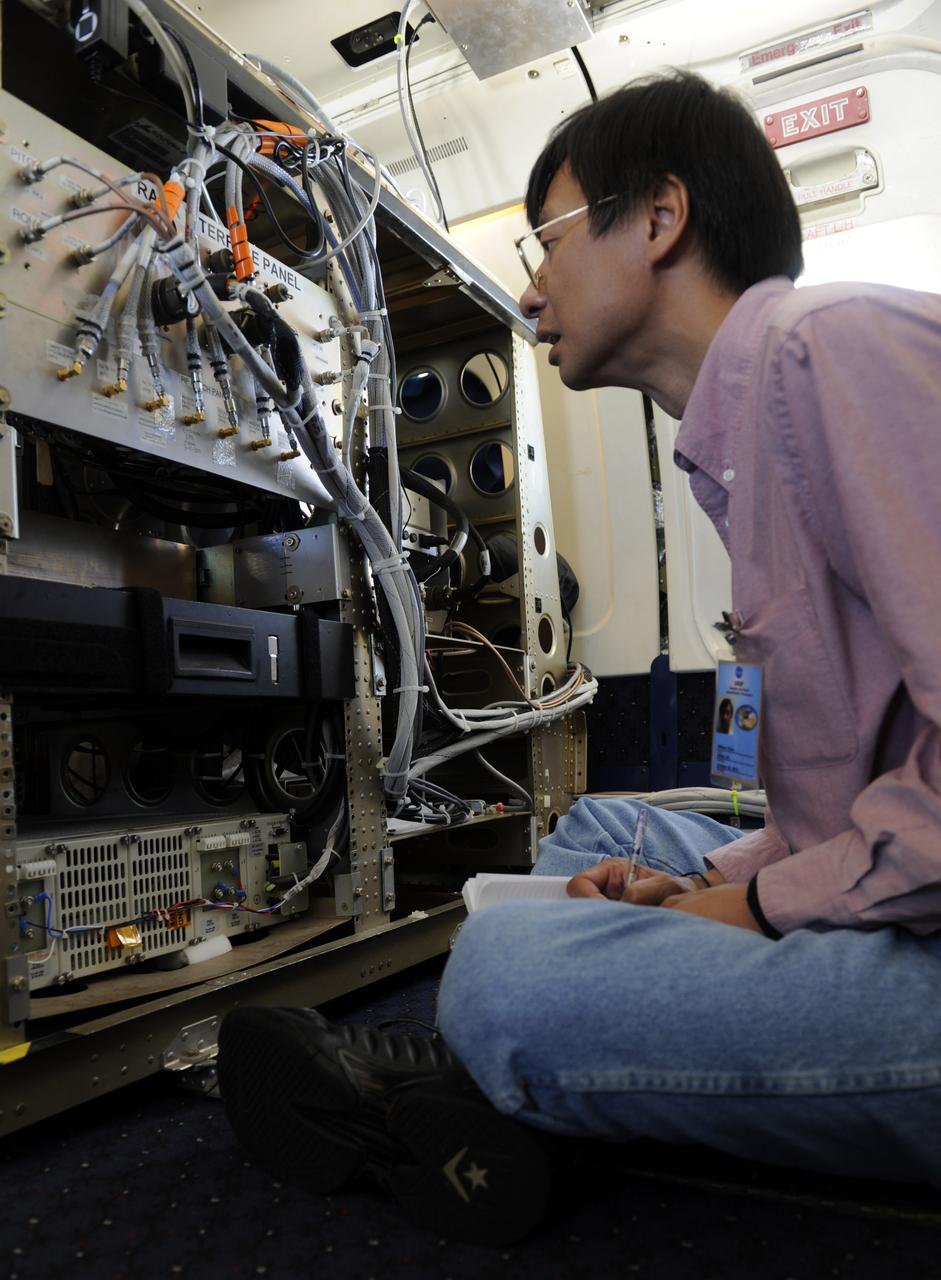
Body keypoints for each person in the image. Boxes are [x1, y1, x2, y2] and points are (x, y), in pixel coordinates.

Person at [217, 70, 941, 1244]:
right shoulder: (738, 441)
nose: (529, 284)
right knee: (605, 837)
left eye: (545, 238)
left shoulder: (827, 354)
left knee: (507, 972)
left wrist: (748, 904)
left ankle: (469, 1081)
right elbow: (850, 796)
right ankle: (518, 1080)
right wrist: (709, 890)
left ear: (658, 218)